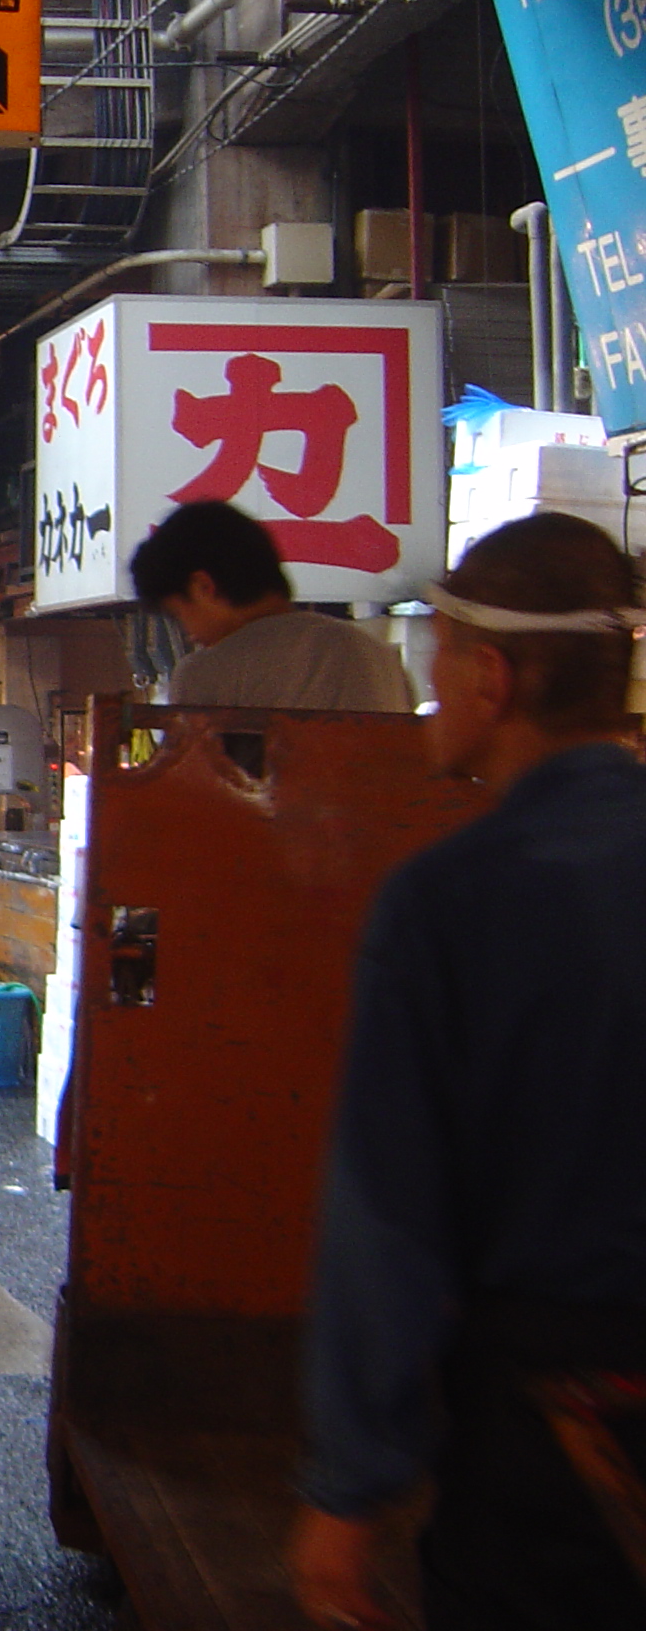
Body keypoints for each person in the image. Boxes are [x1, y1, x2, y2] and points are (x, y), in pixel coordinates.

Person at [290, 513, 646, 1630]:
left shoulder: (451, 899)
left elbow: (391, 1219)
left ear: (493, 677)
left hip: (553, 1425)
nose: (428, 686)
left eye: (436, 655)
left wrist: (354, 1484)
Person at [130, 500, 414, 711]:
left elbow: (194, 787)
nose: (189, 633)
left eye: (179, 614)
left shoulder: (205, 673)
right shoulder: (381, 659)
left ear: (204, 587)